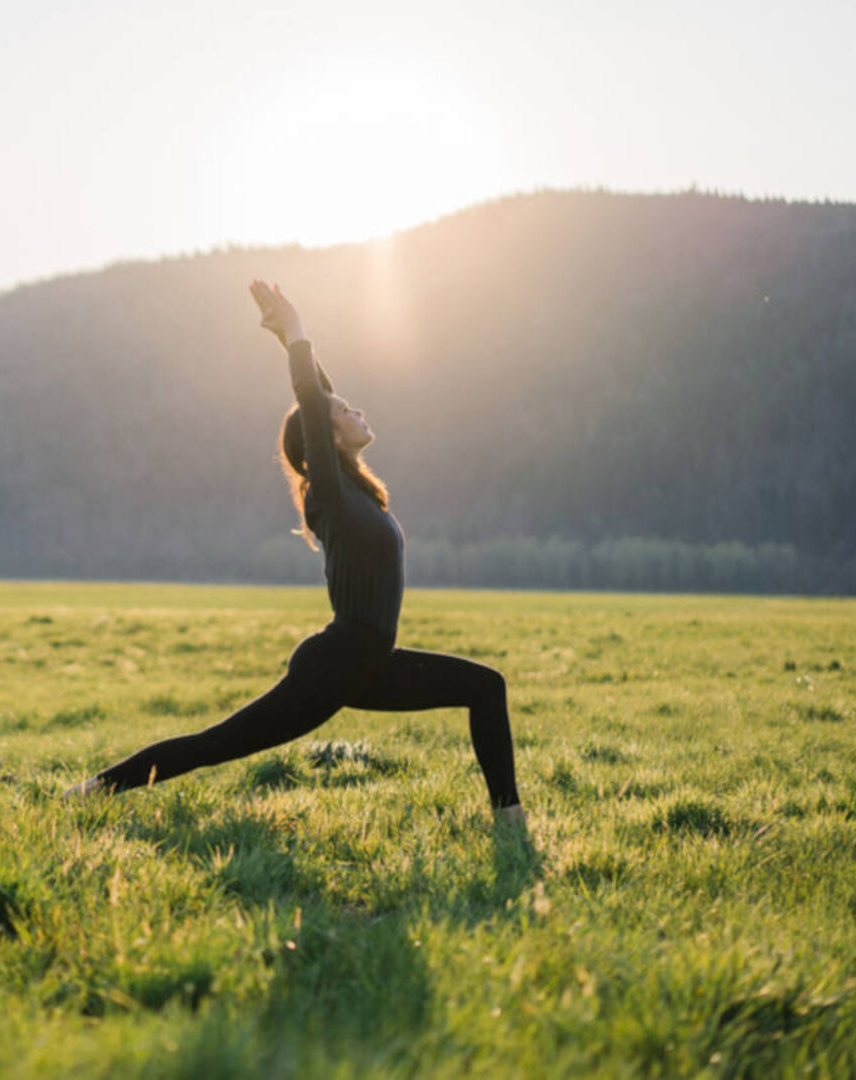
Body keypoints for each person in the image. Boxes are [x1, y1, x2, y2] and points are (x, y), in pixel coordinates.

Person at [66, 281, 524, 828]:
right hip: (334, 665)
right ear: (326, 441)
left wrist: (291, 341)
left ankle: (509, 824)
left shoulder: (354, 490)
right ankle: (88, 792)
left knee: (484, 687)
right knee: (217, 745)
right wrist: (299, 333)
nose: (357, 410)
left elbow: (319, 398)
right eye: (346, 411)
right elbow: (314, 402)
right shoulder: (328, 493)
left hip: (370, 663)